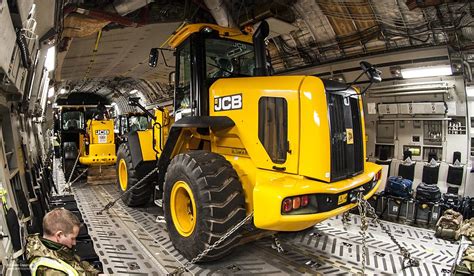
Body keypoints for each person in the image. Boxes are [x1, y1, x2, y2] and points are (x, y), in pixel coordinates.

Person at [26, 208, 100, 275]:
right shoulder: (51, 271)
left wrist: (97, 274)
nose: (74, 243)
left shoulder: (55, 248)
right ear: (59, 235)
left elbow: (76, 263)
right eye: (72, 238)